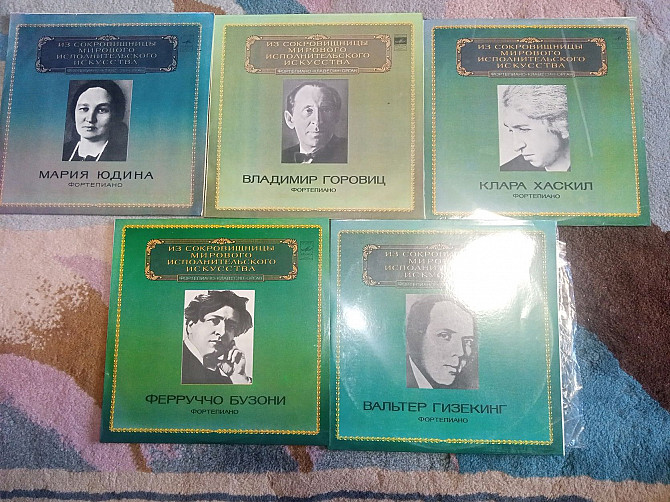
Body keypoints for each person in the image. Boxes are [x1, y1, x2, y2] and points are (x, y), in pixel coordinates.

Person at [406, 295, 477, 389]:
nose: (461, 353)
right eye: (445, 335)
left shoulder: (466, 385)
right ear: (416, 336)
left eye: (468, 341)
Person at [182, 290, 253, 385]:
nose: (222, 332)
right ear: (190, 326)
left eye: (231, 326)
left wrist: (239, 377)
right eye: (214, 321)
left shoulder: (227, 379)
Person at [499, 85, 570, 172]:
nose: (516, 146)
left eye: (524, 129)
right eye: (511, 130)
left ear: (561, 124)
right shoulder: (507, 171)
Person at [62, 80, 129, 161]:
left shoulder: (123, 156)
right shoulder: (62, 152)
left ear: (116, 115)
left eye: (102, 110)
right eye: (84, 109)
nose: (90, 119)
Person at [282, 81, 347, 163]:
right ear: (290, 119)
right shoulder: (283, 157)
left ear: (336, 116)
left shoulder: (349, 152)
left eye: (326, 109)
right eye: (308, 110)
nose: (317, 120)